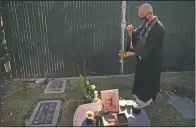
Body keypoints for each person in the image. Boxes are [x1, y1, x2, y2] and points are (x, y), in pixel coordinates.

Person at [120, 3, 165, 107]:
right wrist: (131, 32)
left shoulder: (158, 28)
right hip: (143, 58)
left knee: (148, 81)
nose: (141, 18)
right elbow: (137, 33)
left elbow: (149, 46)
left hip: (152, 61)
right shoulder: (146, 22)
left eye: (142, 15)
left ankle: (146, 100)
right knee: (140, 78)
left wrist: (132, 53)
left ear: (149, 14)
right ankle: (138, 96)